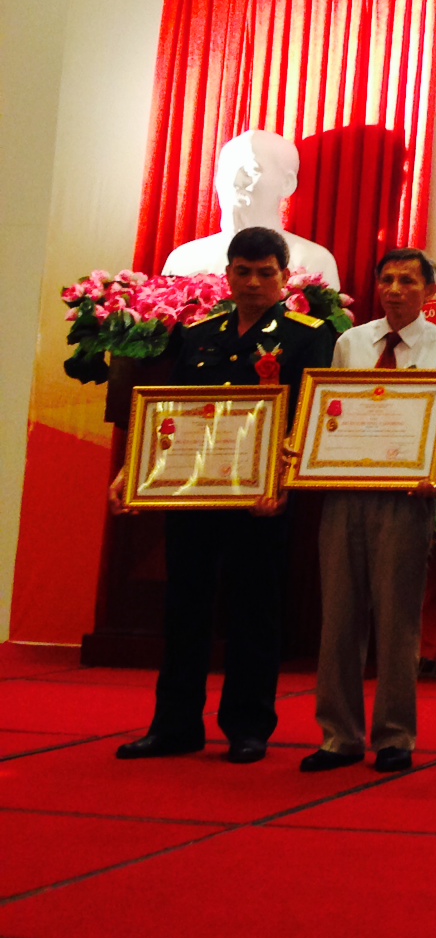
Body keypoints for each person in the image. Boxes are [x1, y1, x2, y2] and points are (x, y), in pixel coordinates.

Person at [111, 227, 337, 764]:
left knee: (254, 610)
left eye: (265, 273)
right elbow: (171, 414)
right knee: (183, 608)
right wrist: (132, 471)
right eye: (243, 271)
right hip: (194, 492)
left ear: (285, 278)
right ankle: (175, 726)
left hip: (261, 498)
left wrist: (282, 482)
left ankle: (248, 727)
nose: (253, 282)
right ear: (228, 275)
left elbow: (312, 417)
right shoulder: (199, 334)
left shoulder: (307, 336)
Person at [301, 248, 436, 775]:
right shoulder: (349, 343)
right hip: (344, 493)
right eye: (387, 280)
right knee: (338, 619)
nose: (396, 290)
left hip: (407, 498)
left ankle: (395, 735)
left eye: (408, 281)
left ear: (430, 292)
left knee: (398, 622)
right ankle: (339, 736)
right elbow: (328, 411)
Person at [161, 129, 342, 289]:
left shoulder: (312, 262)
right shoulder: (184, 259)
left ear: (287, 183)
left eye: (252, 170)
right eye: (227, 169)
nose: (235, 181)